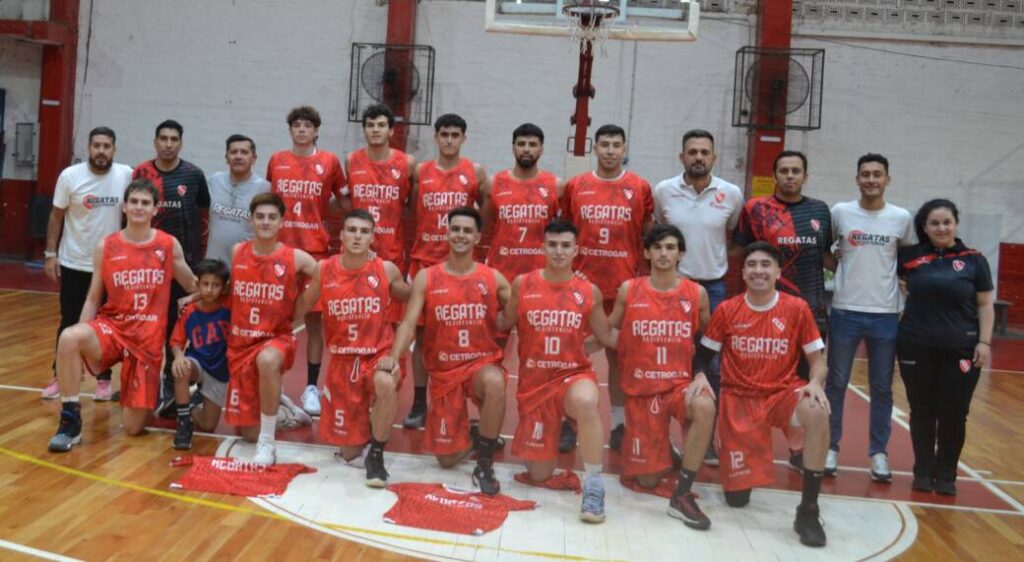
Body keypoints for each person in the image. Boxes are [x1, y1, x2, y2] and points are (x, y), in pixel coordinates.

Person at [696, 242, 831, 547]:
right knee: (737, 500)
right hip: (739, 399)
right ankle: (742, 475)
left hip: (782, 393)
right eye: (752, 265)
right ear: (743, 273)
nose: (759, 271)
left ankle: (809, 510)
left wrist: (815, 382)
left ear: (778, 272)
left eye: (766, 264)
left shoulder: (796, 308)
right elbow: (703, 356)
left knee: (817, 409)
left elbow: (818, 360)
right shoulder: (727, 310)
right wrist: (700, 374)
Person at [48, 179, 197, 452]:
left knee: (132, 427)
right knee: (69, 338)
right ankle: (70, 422)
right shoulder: (106, 245)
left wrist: (201, 294)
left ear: (155, 209)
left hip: (146, 341)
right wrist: (79, 351)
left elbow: (192, 285)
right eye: (134, 202)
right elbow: (93, 298)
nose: (139, 207)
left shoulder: (167, 245)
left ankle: (147, 390)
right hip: (113, 329)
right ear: (124, 207)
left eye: (145, 203)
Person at [501, 219, 617, 523]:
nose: (558, 251)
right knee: (539, 474)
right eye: (552, 245)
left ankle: (594, 485)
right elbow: (504, 322)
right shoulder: (522, 284)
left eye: (566, 245)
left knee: (586, 401)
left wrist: (644, 337)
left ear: (576, 250)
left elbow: (606, 336)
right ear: (543, 247)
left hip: (572, 376)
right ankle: (561, 428)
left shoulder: (588, 291)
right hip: (535, 385)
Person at [389, 207, 510, 495]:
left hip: (479, 364)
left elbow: (517, 312)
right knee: (446, 460)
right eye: (455, 229)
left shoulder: (492, 278)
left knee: (495, 381)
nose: (460, 235)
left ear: (478, 237)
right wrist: (393, 358)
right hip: (444, 372)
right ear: (447, 233)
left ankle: (485, 462)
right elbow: (408, 324)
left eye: (467, 231)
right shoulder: (427, 277)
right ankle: (476, 435)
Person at [606, 224, 715, 530]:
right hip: (643, 390)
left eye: (670, 248)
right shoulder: (630, 289)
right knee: (647, 480)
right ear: (646, 252)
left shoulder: (696, 294)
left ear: (680, 254)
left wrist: (700, 373)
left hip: (679, 387)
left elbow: (708, 340)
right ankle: (665, 447)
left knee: (705, 405)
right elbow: (611, 330)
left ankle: (682, 493)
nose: (663, 253)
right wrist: (583, 339)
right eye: (657, 247)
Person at [733, 150, 832, 470]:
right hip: (764, 312)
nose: (790, 176)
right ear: (774, 175)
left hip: (810, 311)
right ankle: (751, 445)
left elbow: (828, 257)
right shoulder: (755, 209)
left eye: (796, 171)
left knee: (804, 384)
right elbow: (739, 252)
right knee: (757, 381)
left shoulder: (820, 211)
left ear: (805, 176)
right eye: (784, 171)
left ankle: (799, 450)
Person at [299, 209, 410, 487]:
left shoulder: (386, 270)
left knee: (385, 382)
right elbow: (302, 306)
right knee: (349, 453)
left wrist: (395, 354)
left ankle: (377, 454)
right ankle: (367, 428)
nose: (357, 236)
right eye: (352, 230)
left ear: (372, 238)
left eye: (364, 231)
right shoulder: (324, 269)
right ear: (341, 235)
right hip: (343, 360)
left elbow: (412, 300)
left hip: (378, 355)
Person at [653, 129, 743, 465]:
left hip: (714, 289)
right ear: (682, 157)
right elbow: (658, 234)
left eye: (705, 152)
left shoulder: (731, 194)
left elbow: (734, 238)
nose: (698, 157)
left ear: (714, 157)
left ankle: (704, 440)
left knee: (711, 365)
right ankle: (658, 435)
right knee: (666, 362)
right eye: (692, 152)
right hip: (672, 287)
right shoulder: (664, 191)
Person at [561, 124, 653, 453]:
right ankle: (568, 422)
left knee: (620, 360)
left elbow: (647, 235)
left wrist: (641, 279)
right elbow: (565, 232)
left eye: (616, 145)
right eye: (604, 145)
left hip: (622, 288)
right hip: (581, 288)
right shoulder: (576, 185)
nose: (610, 150)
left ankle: (618, 425)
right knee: (571, 357)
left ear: (624, 149)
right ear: (595, 148)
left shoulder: (639, 187)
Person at [824, 153, 915, 481]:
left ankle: (878, 453)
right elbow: (825, 251)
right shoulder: (840, 212)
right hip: (845, 310)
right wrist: (838, 267)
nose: (871, 179)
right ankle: (830, 447)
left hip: (886, 314)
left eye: (878, 174)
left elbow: (906, 259)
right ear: (857, 179)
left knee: (882, 388)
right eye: (866, 174)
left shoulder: (901, 218)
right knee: (836, 383)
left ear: (887, 179)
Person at [897, 199, 994, 496]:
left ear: (956, 224)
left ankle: (946, 474)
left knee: (954, 413)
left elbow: (985, 304)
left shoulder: (974, 260)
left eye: (946, 222)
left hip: (961, 350)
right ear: (924, 227)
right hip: (915, 346)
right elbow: (895, 287)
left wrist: (984, 342)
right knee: (921, 410)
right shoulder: (909, 257)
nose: (941, 228)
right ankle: (923, 472)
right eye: (934, 223)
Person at [403, 113, 488, 430]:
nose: (449, 140)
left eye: (455, 135)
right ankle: (418, 403)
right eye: (444, 134)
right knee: (421, 338)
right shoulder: (421, 171)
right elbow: (412, 211)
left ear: (463, 138)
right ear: (436, 137)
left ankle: (461, 402)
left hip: (460, 268)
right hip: (424, 262)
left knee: (460, 336)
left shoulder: (475, 172)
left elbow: (484, 215)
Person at [225, 192, 318, 465]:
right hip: (241, 344)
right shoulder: (237, 252)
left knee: (267, 361)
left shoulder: (296, 258)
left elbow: (328, 275)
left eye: (272, 217)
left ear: (281, 222)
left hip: (276, 339)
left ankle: (268, 444)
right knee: (247, 433)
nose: (265, 222)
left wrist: (301, 308)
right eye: (260, 217)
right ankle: (284, 407)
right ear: (251, 220)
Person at [266, 105, 347, 418]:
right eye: (296, 125)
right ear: (290, 130)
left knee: (314, 323)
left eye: (307, 125)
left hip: (315, 252)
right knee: (276, 321)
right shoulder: (277, 160)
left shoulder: (330, 162)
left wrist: (325, 217)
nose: (301, 130)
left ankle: (312, 387)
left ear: (316, 131)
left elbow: (345, 201)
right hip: (281, 253)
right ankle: (273, 382)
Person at [42, 126, 132, 401]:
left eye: (106, 146)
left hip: (112, 266)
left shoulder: (126, 175)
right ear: (89, 148)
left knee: (108, 325)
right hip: (74, 262)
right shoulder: (70, 176)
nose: (101, 151)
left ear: (114, 149)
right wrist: (50, 253)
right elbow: (56, 216)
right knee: (69, 322)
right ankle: (60, 376)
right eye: (97, 146)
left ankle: (103, 379)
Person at [133, 119, 210, 415]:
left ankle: (170, 385)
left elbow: (203, 216)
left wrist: (198, 258)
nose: (168, 144)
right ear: (155, 142)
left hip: (183, 265)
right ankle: (142, 383)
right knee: (147, 326)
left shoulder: (193, 174)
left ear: (181, 143)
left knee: (175, 329)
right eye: (163, 138)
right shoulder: (141, 172)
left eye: (173, 139)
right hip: (147, 267)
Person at [482, 123, 564, 282]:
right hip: (501, 270)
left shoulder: (556, 185)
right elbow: (485, 229)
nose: (526, 149)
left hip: (540, 272)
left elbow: (563, 233)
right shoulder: (494, 183)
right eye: (521, 144)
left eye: (532, 145)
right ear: (513, 148)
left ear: (541, 150)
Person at [168, 259, 233, 449]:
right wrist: (179, 356)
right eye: (205, 284)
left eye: (215, 285)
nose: (209, 290)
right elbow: (176, 342)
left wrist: (193, 296)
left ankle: (190, 404)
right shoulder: (189, 311)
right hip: (197, 363)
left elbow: (237, 287)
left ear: (224, 287)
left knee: (208, 426)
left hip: (219, 369)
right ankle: (183, 422)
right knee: (181, 368)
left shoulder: (229, 304)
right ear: (198, 283)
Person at [205, 134, 270, 265]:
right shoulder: (213, 181)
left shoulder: (265, 188)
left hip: (246, 265)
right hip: (212, 266)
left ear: (254, 158)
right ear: (226, 158)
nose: (238, 156)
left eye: (244, 152)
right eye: (233, 152)